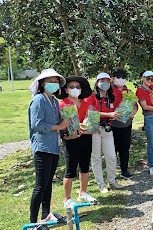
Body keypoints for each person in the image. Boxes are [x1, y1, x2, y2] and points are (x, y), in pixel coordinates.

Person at [28, 69, 69, 226]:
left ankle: (46, 216)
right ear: (42, 83)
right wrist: (58, 126)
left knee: (48, 183)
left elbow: (60, 123)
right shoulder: (39, 100)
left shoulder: (54, 101)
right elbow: (36, 125)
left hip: (53, 147)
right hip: (42, 147)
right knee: (40, 185)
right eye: (50, 81)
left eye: (56, 81)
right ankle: (33, 223)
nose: (53, 84)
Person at [57, 76, 97, 209]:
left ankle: (83, 192)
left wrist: (91, 125)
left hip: (86, 138)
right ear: (66, 90)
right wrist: (69, 133)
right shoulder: (62, 105)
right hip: (70, 140)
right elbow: (61, 125)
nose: (75, 89)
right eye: (72, 87)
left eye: (78, 87)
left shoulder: (85, 104)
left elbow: (90, 120)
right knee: (70, 169)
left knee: (85, 166)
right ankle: (67, 199)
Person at [86, 72, 124, 193]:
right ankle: (101, 184)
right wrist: (109, 114)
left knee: (111, 156)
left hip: (107, 128)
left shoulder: (111, 96)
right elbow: (90, 112)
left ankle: (112, 180)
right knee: (96, 157)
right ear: (97, 83)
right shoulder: (91, 96)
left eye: (108, 81)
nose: (105, 83)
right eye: (102, 81)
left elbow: (117, 109)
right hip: (95, 129)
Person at [110, 69, 138, 179]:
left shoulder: (129, 91)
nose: (121, 79)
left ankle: (124, 170)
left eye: (123, 77)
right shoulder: (109, 91)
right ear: (113, 78)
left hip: (127, 124)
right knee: (113, 150)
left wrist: (133, 113)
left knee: (125, 148)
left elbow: (135, 105)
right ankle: (112, 173)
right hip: (113, 125)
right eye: (118, 77)